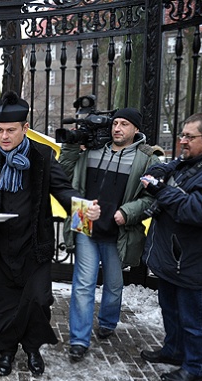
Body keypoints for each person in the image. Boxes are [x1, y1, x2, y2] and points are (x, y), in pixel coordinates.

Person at [0, 91, 100, 377]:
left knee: (37, 303)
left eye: (10, 130)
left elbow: (63, 190)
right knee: (1, 304)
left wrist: (83, 208)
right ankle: (7, 352)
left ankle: (32, 350)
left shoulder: (42, 155)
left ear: (25, 128)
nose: (3, 136)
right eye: (0, 130)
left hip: (32, 245)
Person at [58, 107, 164, 361]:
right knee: (83, 284)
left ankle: (107, 321)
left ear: (136, 129)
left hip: (119, 230)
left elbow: (152, 198)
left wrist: (128, 212)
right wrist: (73, 145)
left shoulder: (147, 159)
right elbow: (64, 172)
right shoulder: (93, 149)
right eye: (115, 123)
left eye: (124, 124)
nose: (117, 128)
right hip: (85, 221)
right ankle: (79, 340)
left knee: (114, 285)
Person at [140, 112, 202, 381]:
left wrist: (161, 191)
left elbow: (199, 211)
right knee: (171, 309)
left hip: (196, 261)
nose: (181, 141)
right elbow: (171, 171)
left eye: (188, 136)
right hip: (176, 257)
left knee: (195, 318)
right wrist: (159, 173)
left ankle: (195, 368)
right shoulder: (192, 160)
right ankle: (174, 350)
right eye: (181, 134)